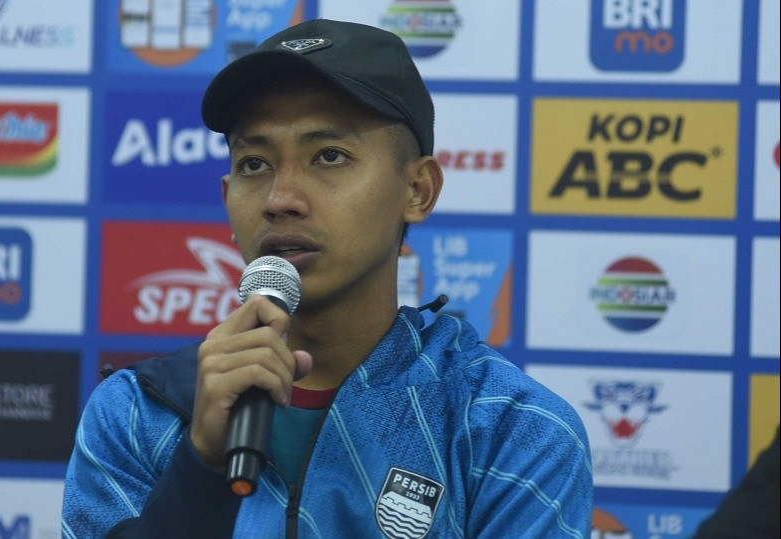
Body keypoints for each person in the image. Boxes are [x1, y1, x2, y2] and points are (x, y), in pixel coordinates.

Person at [62, 19, 593, 538]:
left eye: (329, 156)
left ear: (418, 190)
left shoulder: (511, 428)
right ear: (227, 197)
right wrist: (201, 467)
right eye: (254, 164)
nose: (279, 199)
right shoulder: (136, 413)